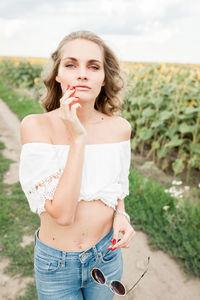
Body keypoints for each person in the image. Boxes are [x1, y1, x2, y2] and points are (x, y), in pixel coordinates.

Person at [19, 30, 135, 300]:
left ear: (103, 77)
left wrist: (122, 215)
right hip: (56, 266)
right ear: (58, 74)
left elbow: (115, 187)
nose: (82, 74)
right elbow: (62, 215)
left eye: (93, 66)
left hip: (107, 256)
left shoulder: (119, 129)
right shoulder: (36, 126)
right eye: (71, 65)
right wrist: (78, 139)